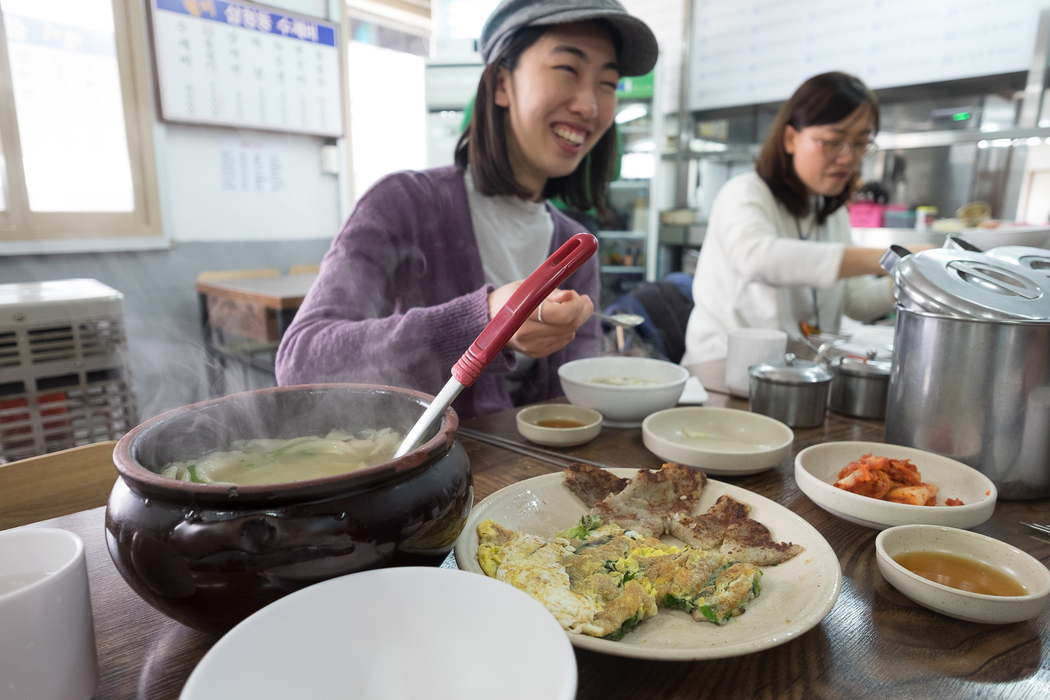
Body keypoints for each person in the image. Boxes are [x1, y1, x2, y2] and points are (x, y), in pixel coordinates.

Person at [275, 0, 658, 420]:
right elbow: (300, 363)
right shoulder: (403, 204)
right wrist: (484, 320)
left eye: (608, 83)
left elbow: (570, 407)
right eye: (567, 69)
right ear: (501, 85)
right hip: (415, 472)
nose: (590, 106)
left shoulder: (573, 249)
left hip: (525, 478)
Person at [680, 72, 898, 366]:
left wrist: (914, 283)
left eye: (861, 143)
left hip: (798, 373)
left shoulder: (829, 211)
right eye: (833, 141)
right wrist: (893, 258)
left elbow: (855, 300)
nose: (849, 158)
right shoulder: (745, 192)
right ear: (790, 138)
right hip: (722, 371)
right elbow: (757, 257)